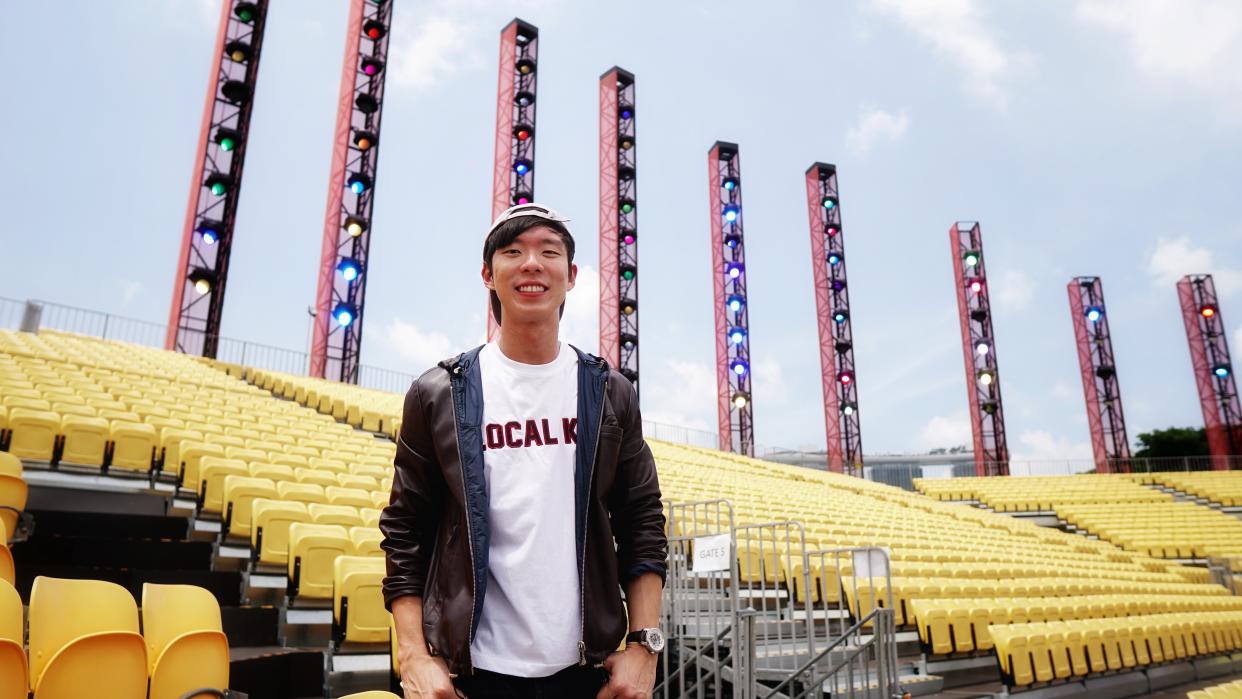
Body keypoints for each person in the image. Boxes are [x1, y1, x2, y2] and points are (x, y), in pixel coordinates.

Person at [381, 203, 668, 699]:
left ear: (571, 275)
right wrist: (412, 655)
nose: (531, 264)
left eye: (548, 252)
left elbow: (641, 521)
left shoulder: (610, 393)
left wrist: (645, 646)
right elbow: (405, 531)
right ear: (488, 275)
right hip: (467, 674)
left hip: (586, 672)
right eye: (512, 252)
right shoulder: (437, 394)